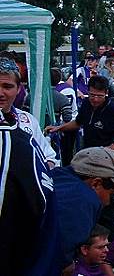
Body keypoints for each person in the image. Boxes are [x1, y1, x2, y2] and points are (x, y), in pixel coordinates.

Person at [0, 59, 59, 276]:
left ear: (18, 89)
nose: (1, 93)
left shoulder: (27, 121)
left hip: (21, 212)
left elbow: (48, 158)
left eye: (7, 86)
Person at [53, 147, 114, 272]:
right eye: (112, 193)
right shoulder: (80, 202)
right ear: (96, 183)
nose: (109, 202)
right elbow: (61, 263)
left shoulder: (60, 175)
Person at [47, 75, 114, 152]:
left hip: (107, 153)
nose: (95, 99)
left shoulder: (113, 108)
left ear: (106, 93)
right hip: (88, 150)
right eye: (92, 95)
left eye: (99, 96)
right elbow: (78, 122)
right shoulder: (86, 104)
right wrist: (59, 128)